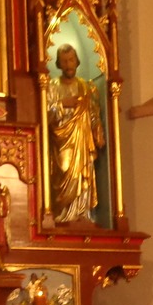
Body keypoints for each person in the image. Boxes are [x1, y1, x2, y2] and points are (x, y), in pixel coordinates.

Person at [47, 44, 105, 223]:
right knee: (65, 170)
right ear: (59, 64)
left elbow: (93, 112)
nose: (68, 64)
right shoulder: (52, 86)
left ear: (77, 61)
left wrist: (98, 131)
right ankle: (62, 214)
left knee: (83, 173)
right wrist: (63, 104)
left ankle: (81, 213)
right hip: (62, 140)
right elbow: (46, 114)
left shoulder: (85, 87)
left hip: (82, 139)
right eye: (64, 61)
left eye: (71, 60)